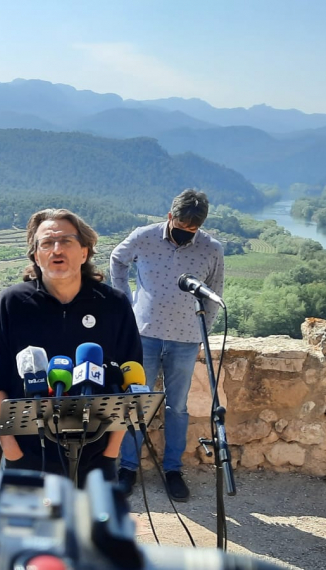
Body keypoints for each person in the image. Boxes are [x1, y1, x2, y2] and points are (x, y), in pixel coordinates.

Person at [0, 209, 141, 484]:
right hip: (26, 455)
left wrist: (111, 453)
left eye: (66, 241)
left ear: (84, 252)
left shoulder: (114, 305)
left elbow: (130, 380)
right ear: (35, 255)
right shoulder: (11, 305)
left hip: (96, 454)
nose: (56, 250)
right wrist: (13, 452)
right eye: (46, 243)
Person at [109, 189, 225, 501]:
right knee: (136, 403)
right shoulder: (143, 236)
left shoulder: (211, 249)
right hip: (143, 336)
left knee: (178, 407)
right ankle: (128, 468)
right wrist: (124, 302)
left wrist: (202, 332)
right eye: (183, 225)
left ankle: (173, 469)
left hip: (186, 340)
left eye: (194, 228)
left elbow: (214, 292)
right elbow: (117, 260)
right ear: (170, 216)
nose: (188, 232)